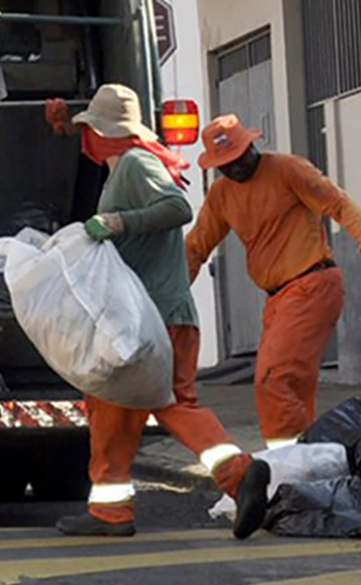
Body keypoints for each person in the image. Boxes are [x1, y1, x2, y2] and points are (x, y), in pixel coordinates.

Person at [47, 85, 269, 539]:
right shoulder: (132, 162)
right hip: (164, 315)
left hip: (146, 319)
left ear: (105, 132)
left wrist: (117, 222)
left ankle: (237, 473)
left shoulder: (135, 162)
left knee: (127, 405)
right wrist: (66, 125)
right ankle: (114, 510)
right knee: (126, 407)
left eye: (90, 129)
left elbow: (176, 208)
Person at [186, 114, 361, 450]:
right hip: (278, 298)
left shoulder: (287, 170)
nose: (235, 168)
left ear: (252, 146)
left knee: (274, 379)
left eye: (239, 158)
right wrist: (170, 296)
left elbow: (339, 205)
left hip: (312, 284)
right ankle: (312, 460)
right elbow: (196, 246)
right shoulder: (222, 195)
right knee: (294, 387)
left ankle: (292, 462)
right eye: (225, 164)